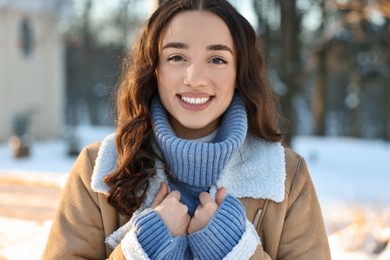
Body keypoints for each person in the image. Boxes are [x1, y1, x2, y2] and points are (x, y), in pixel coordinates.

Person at [43, 0, 331, 259]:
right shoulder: (99, 168)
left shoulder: (285, 177)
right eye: (177, 57)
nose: (195, 79)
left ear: (239, 72)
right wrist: (144, 247)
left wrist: (234, 248)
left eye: (217, 59)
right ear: (154, 68)